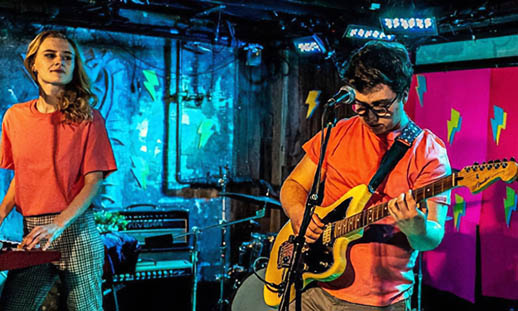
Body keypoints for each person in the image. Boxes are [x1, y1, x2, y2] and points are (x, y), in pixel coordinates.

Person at [281, 40, 451, 310]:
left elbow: (432, 237)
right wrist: (300, 214)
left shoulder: (429, 153)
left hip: (377, 301)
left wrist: (416, 228)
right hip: (312, 286)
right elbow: (293, 185)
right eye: (361, 106)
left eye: (381, 106)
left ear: (404, 94)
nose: (370, 116)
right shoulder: (337, 133)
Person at [0, 30, 117, 311]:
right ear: (34, 64)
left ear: (74, 66)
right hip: (34, 233)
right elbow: (23, 176)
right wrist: (0, 214)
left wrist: (58, 223)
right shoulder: (15, 116)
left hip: (76, 229)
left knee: (84, 308)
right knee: (13, 307)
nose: (59, 62)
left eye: (67, 57)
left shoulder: (89, 117)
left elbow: (93, 182)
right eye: (50, 55)